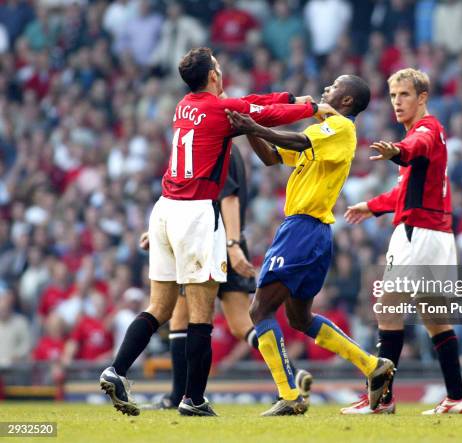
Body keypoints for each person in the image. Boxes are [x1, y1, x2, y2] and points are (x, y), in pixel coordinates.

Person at [99, 47, 334, 417]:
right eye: (219, 69)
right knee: (201, 315)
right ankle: (193, 399)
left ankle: (116, 370)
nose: (222, 73)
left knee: (158, 307)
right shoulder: (221, 111)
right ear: (213, 76)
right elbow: (262, 112)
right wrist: (311, 109)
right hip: (195, 215)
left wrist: (291, 97)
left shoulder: (184, 106)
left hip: (163, 210)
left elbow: (253, 102)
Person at [226, 74, 394, 417]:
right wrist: (250, 128)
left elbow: (300, 142)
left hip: (303, 229)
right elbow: (273, 157)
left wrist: (254, 126)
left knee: (259, 310)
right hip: (313, 233)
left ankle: (289, 393)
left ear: (346, 101)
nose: (326, 90)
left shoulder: (341, 128)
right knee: (300, 319)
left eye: (333, 87)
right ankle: (373, 365)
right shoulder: (323, 134)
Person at [141, 146, 312, 410]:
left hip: (206, 240)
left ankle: (177, 396)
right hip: (232, 238)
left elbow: (222, 197)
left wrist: (226, 243)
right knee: (241, 324)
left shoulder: (214, 149)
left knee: (180, 318)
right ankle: (291, 371)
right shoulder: (235, 152)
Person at [344, 68, 462, 415]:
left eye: (404, 95)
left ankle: (381, 399)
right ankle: (457, 397)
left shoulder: (426, 130)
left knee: (387, 307)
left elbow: (412, 149)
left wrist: (397, 151)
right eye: (393, 96)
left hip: (418, 232)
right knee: (435, 319)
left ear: (422, 97)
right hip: (436, 233)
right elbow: (404, 191)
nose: (398, 102)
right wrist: (372, 206)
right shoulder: (425, 134)